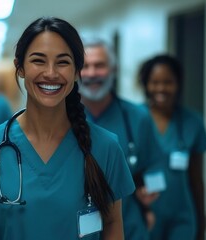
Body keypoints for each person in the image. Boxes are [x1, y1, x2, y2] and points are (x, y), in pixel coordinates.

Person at [0, 16, 135, 240]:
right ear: (20, 68)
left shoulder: (105, 147)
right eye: (38, 60)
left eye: (63, 62)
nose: (50, 73)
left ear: (77, 71)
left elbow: (113, 223)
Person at [78, 37, 165, 239]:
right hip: (75, 228)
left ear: (114, 69)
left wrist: (150, 190)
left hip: (129, 226)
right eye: (85, 66)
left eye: (99, 65)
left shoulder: (137, 117)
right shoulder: (60, 119)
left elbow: (156, 165)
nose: (91, 73)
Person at [138, 54, 206, 240]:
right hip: (144, 213)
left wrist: (202, 226)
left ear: (178, 83)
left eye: (168, 82)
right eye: (154, 82)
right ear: (146, 84)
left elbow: (197, 179)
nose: (161, 88)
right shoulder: (135, 119)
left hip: (182, 216)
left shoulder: (192, 122)